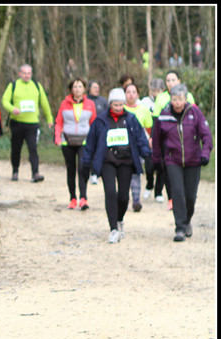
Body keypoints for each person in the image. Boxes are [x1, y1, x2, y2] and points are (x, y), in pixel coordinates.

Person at [81, 88, 152, 244]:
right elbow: (91, 142)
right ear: (110, 104)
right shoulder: (101, 120)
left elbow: (140, 138)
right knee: (110, 193)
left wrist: (147, 155)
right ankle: (113, 229)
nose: (118, 108)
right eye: (115, 105)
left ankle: (119, 220)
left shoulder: (131, 119)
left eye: (121, 105)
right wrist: (86, 162)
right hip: (108, 161)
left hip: (126, 161)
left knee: (123, 196)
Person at [152, 84, 213, 242]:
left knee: (190, 196)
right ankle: (179, 227)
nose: (177, 102)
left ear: (186, 99)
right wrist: (156, 159)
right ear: (170, 99)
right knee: (177, 192)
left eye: (180, 99)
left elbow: (206, 135)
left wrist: (205, 153)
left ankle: (187, 221)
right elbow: (157, 139)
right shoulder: (164, 115)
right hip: (173, 160)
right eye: (174, 99)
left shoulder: (195, 113)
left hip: (194, 160)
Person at [151, 71, 197, 209]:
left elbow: (195, 117)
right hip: (167, 139)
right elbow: (156, 121)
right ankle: (171, 197)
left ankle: (185, 194)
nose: (170, 83)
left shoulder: (189, 96)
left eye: (173, 80)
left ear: (179, 81)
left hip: (185, 140)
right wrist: (153, 138)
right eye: (168, 80)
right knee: (168, 168)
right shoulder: (161, 97)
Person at [2, 64, 53, 182]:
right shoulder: (13, 85)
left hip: (32, 123)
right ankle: (15, 171)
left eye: (29, 73)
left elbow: (44, 103)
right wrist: (12, 109)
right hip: (17, 123)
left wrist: (49, 118)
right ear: (19, 74)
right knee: (16, 148)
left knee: (33, 148)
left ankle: (35, 173)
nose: (27, 75)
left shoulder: (37, 85)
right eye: (24, 73)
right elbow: (5, 101)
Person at [54, 77, 97, 210]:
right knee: (71, 169)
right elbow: (59, 122)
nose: (77, 89)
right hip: (67, 140)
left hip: (84, 141)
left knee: (83, 168)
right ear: (71, 89)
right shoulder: (64, 104)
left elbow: (94, 123)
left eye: (80, 86)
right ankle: (72, 198)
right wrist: (57, 137)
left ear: (84, 89)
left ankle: (83, 198)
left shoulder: (90, 104)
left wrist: (95, 140)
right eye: (75, 87)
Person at [122, 83, 153, 212]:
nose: (131, 95)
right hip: (122, 146)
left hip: (138, 145)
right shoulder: (119, 108)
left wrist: (149, 141)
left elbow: (149, 128)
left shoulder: (143, 109)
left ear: (138, 94)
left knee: (136, 171)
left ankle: (136, 199)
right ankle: (123, 197)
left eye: (133, 92)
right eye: (128, 92)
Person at [86, 81, 109, 185]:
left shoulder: (103, 101)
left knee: (98, 150)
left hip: (100, 131)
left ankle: (95, 172)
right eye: (94, 87)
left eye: (98, 87)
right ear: (89, 89)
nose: (97, 89)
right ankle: (89, 171)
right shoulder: (85, 100)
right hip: (87, 130)